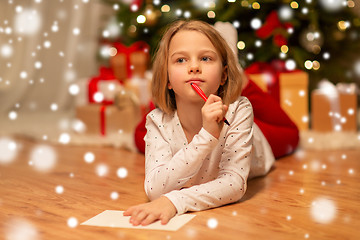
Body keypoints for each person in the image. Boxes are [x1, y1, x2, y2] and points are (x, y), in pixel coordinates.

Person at [124, 20, 277, 226]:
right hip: (208, 139)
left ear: (223, 76)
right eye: (181, 60)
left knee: (290, 134)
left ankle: (235, 63)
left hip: (257, 145)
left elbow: (234, 184)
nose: (194, 67)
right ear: (167, 78)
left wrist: (174, 201)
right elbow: (155, 189)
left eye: (205, 58)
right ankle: (224, 52)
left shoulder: (240, 109)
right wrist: (207, 136)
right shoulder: (156, 120)